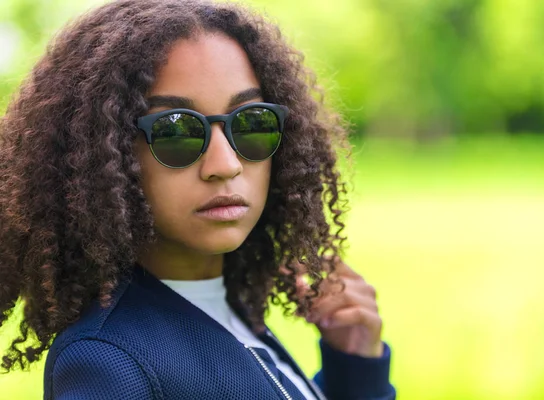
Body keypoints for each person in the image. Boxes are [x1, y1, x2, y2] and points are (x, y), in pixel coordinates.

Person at [0, 1, 395, 399]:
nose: (225, 165)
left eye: (250, 121)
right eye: (177, 131)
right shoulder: (109, 363)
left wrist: (355, 369)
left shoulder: (226, 311)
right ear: (103, 155)